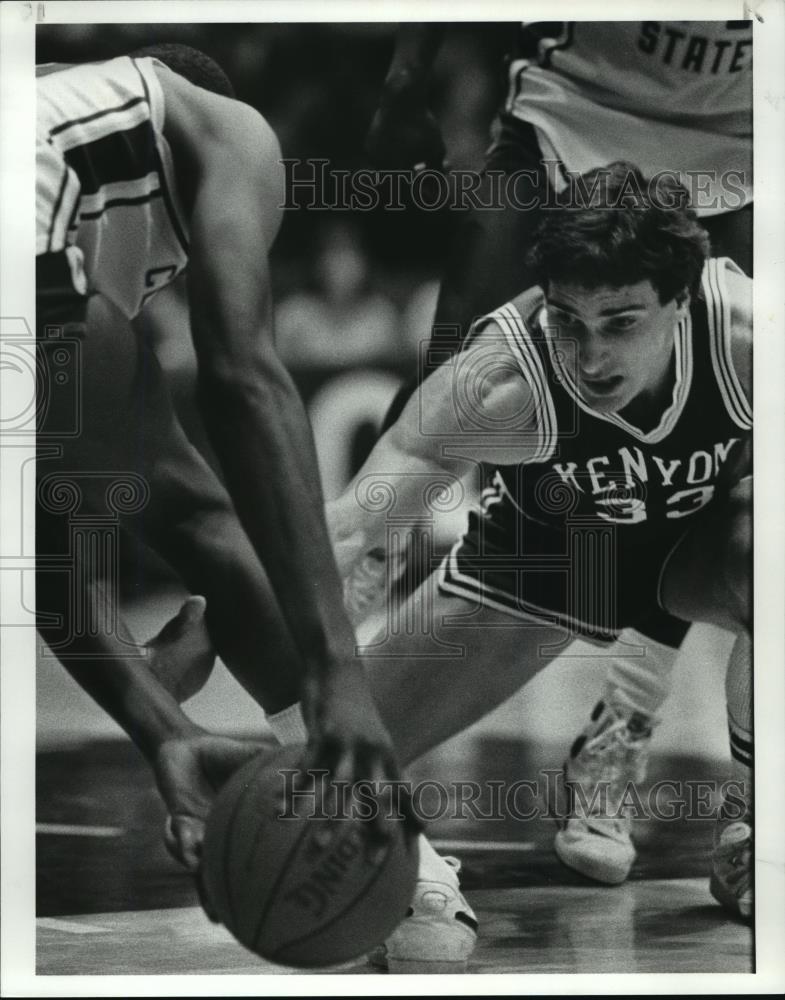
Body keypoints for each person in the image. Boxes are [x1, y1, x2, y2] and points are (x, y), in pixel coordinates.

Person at [326, 164, 753, 965]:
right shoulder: (499, 380)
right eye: (567, 319)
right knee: (327, 770)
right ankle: (405, 857)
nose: (589, 356)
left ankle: (755, 823)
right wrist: (257, 621)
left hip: (690, 551)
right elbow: (350, 528)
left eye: (619, 322)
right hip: (545, 563)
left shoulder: (750, 339)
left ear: (682, 299)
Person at [35, 44, 417, 873]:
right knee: (192, 507)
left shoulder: (68, 183)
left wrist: (160, 728)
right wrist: (336, 666)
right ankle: (399, 858)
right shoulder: (222, 124)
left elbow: (57, 557)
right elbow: (241, 380)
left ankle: (187, 746)